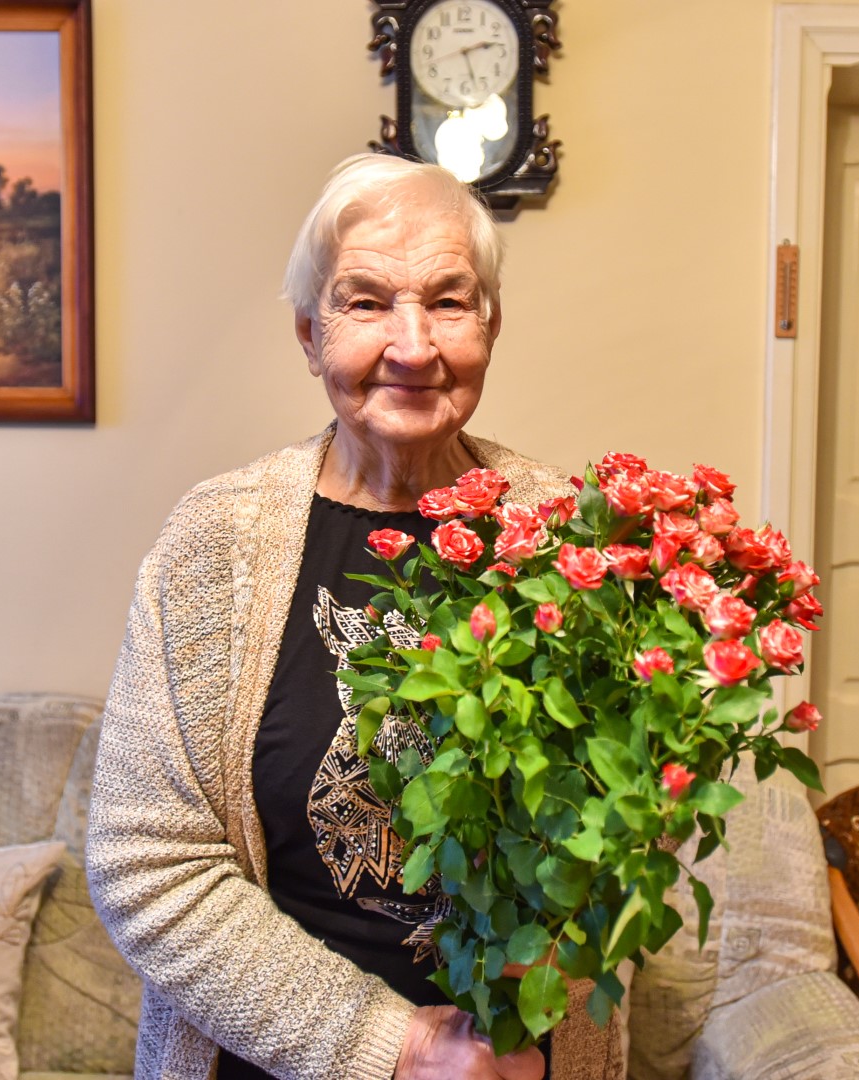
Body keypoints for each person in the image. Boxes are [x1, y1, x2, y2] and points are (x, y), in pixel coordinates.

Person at [86, 154, 623, 1080]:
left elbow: (628, 825)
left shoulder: (569, 538)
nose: (413, 347)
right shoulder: (214, 541)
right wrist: (395, 1048)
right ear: (309, 333)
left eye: (449, 303)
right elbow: (147, 863)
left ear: (491, 324)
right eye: (366, 302)